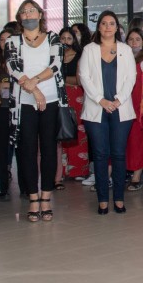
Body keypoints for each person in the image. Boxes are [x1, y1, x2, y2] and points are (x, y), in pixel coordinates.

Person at [5, 0, 65, 223]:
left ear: (40, 14)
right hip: (24, 103)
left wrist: (37, 84)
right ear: (19, 17)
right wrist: (33, 91)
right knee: (27, 151)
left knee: (49, 149)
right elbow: (12, 67)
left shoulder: (53, 38)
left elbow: (56, 64)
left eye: (32, 10)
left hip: (50, 100)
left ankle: (46, 197)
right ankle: (32, 197)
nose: (28, 14)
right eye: (24, 11)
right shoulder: (12, 41)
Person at [78, 10, 138, 214]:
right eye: (104, 23)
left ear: (117, 27)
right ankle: (103, 199)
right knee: (101, 155)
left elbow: (131, 77)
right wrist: (101, 100)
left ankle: (119, 199)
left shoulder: (125, 49)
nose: (107, 27)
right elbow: (84, 77)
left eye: (111, 23)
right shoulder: (89, 50)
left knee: (119, 155)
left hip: (121, 108)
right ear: (99, 27)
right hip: (96, 109)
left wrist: (118, 99)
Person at [59, 27, 91, 184]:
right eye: (62, 38)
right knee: (61, 131)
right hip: (59, 97)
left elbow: (78, 80)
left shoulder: (80, 56)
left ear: (74, 40)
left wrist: (61, 80)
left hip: (76, 97)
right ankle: (62, 170)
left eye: (69, 38)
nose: (65, 41)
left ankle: (80, 169)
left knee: (78, 130)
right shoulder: (55, 57)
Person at [125, 27, 143, 190]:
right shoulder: (121, 57)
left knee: (138, 142)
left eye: (137, 39)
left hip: (140, 106)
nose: (134, 43)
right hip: (123, 103)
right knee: (124, 141)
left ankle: (136, 176)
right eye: (130, 39)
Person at [0, 25, 16, 200]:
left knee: (22, 148)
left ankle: (26, 187)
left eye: (9, 39)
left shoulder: (21, 60)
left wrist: (9, 85)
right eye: (2, 40)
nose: (5, 43)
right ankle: (1, 186)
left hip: (19, 107)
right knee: (0, 149)